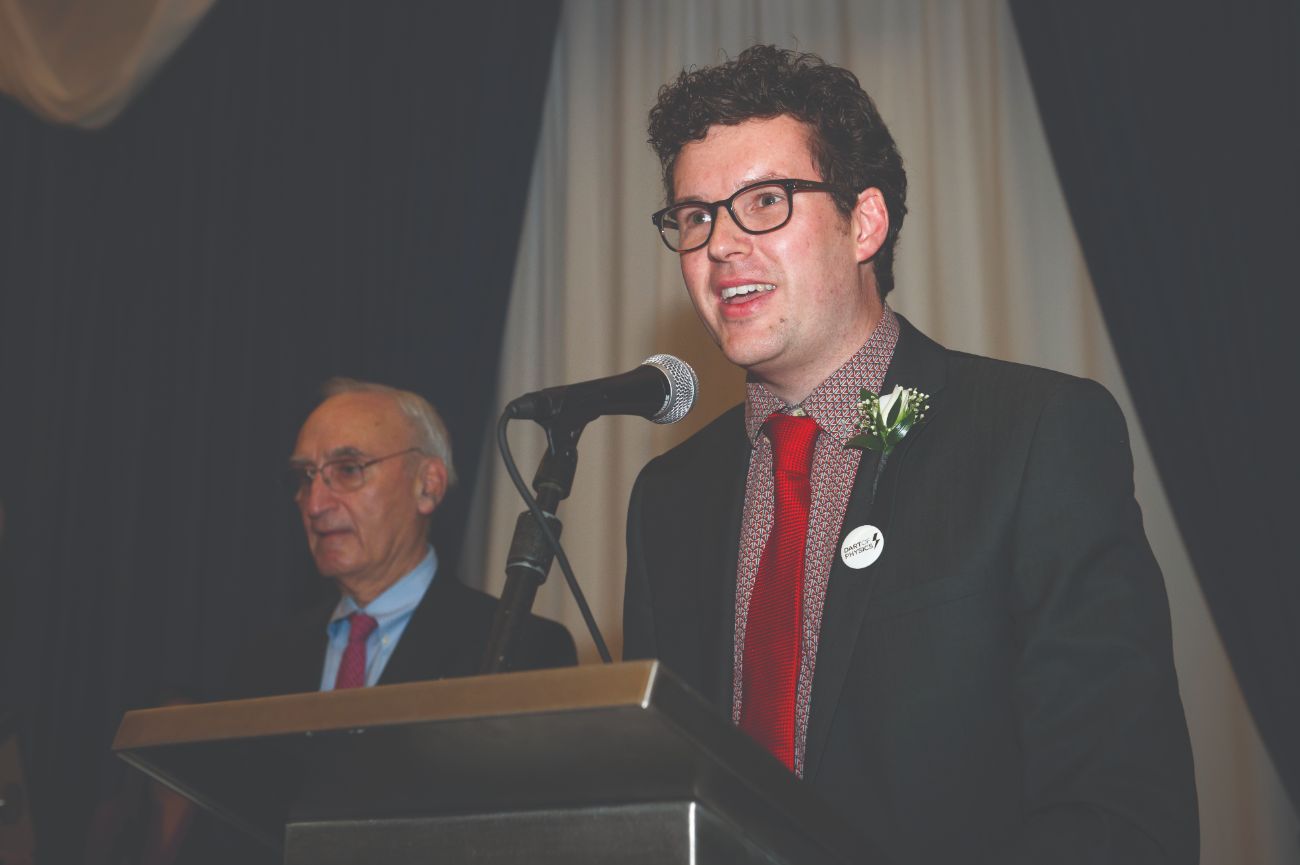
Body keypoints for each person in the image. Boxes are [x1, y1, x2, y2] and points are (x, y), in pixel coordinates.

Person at [623, 45, 1197, 864]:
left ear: (865, 222)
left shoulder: (1032, 436)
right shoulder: (669, 497)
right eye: (695, 216)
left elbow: (1121, 813)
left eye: (765, 202)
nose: (720, 244)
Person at [227, 378, 576, 698]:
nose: (315, 505)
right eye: (306, 477)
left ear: (427, 486)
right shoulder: (263, 665)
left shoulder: (518, 651)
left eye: (348, 469)